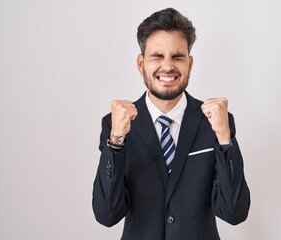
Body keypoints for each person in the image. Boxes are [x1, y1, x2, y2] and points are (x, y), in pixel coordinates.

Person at [92, 7, 250, 240]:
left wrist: (225, 139)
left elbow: (234, 212)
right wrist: (115, 142)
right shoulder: (116, 125)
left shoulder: (215, 122)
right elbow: (107, 215)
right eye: (157, 56)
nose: (168, 66)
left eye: (177, 57)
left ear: (190, 63)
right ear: (141, 63)